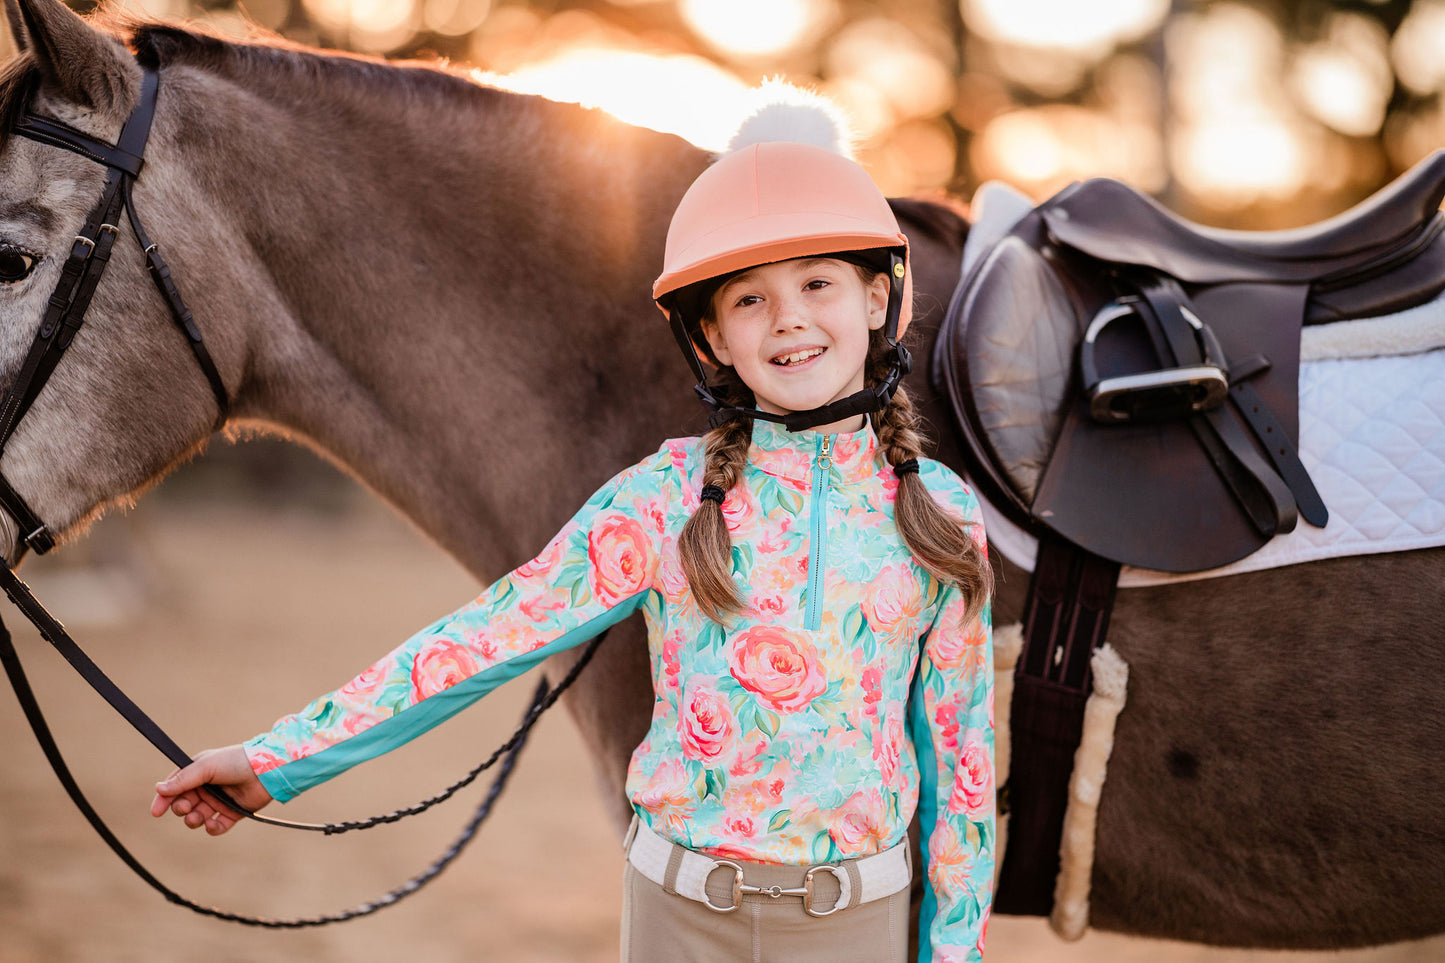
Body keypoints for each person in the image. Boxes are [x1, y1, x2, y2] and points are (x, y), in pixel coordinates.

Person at [151, 127, 995, 962]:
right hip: (680, 919)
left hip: (856, 925)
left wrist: (956, 951)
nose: (789, 321)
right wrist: (279, 760)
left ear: (877, 299)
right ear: (711, 338)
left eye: (819, 283)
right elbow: (485, 637)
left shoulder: (943, 517)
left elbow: (961, 773)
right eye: (749, 299)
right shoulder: (661, 497)